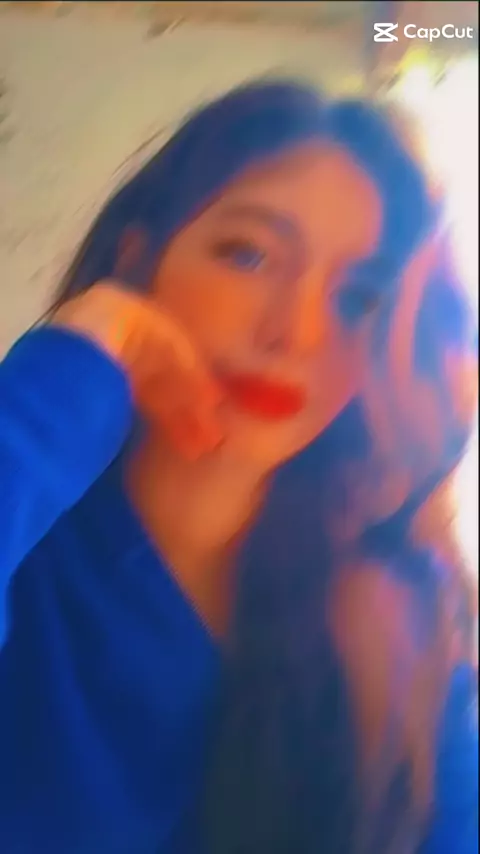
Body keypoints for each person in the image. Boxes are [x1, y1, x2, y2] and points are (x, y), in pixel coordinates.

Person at [0, 81, 477, 854]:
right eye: (248, 255)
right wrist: (68, 365)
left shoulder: (399, 615)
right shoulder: (27, 535)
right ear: (137, 258)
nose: (296, 332)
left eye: (359, 296)